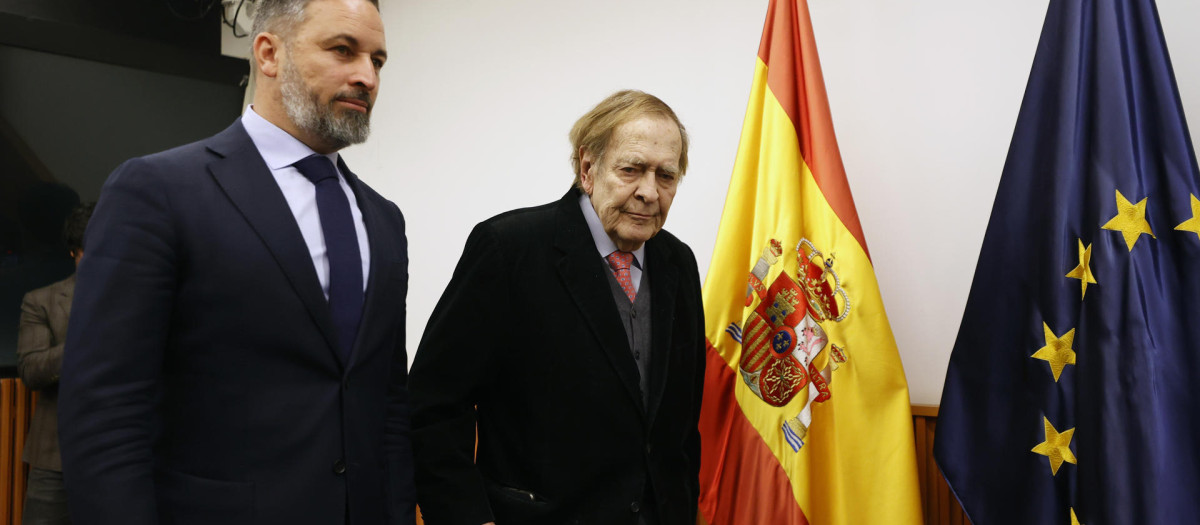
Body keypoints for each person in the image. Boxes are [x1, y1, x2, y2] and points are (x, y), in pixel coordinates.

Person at [56, 0, 416, 523]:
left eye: (378, 61)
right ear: (269, 53)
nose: (366, 76)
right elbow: (106, 410)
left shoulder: (383, 221)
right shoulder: (159, 190)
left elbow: (387, 403)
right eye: (343, 50)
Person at [409, 90, 706, 525]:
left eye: (666, 176)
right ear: (588, 168)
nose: (648, 192)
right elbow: (431, 407)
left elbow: (679, 430)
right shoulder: (508, 250)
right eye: (631, 169)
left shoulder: (678, 263)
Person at [17, 202, 94, 525]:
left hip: (132, 456)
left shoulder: (147, 298)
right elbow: (32, 370)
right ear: (74, 252)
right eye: (90, 252)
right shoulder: (42, 301)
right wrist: (92, 337)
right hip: (55, 457)